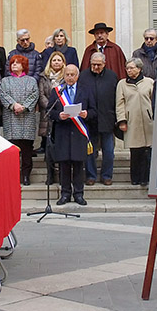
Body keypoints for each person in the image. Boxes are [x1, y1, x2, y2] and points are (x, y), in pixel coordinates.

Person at [47, 64, 96, 205]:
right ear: (64, 75)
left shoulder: (86, 90)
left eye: (72, 74)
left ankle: (79, 194)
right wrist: (59, 115)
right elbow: (49, 112)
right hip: (63, 132)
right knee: (64, 166)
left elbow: (94, 111)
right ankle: (65, 194)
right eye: (67, 74)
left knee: (79, 165)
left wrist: (86, 114)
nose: (69, 77)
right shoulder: (57, 92)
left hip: (79, 133)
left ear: (77, 76)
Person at [0, 55, 40, 186]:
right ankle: (14, 175)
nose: (14, 65)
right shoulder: (5, 81)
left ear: (24, 66)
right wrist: (13, 105)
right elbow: (3, 94)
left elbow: (35, 94)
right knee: (12, 150)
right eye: (12, 63)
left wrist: (24, 106)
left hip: (27, 118)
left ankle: (26, 175)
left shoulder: (31, 80)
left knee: (27, 149)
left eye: (17, 63)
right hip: (11, 118)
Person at [81, 52, 118, 186]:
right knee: (90, 150)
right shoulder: (84, 76)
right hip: (89, 120)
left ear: (104, 64)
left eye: (99, 65)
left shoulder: (112, 76)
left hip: (107, 119)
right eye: (93, 64)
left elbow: (116, 98)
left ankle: (106, 175)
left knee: (108, 151)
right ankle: (91, 176)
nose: (96, 67)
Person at [116, 58, 154, 186]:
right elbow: (120, 104)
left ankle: (146, 178)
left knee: (147, 150)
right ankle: (135, 178)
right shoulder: (122, 84)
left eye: (132, 68)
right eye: (127, 68)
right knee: (135, 151)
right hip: (132, 120)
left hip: (148, 121)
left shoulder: (149, 82)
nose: (129, 70)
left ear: (139, 68)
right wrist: (122, 120)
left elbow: (153, 100)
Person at [38, 51, 68, 185]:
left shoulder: (66, 77)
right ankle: (50, 175)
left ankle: (62, 175)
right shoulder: (44, 77)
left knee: (62, 149)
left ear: (63, 63)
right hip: (48, 115)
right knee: (49, 150)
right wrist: (51, 106)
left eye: (59, 60)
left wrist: (59, 109)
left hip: (62, 117)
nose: (56, 62)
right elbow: (41, 94)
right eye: (54, 60)